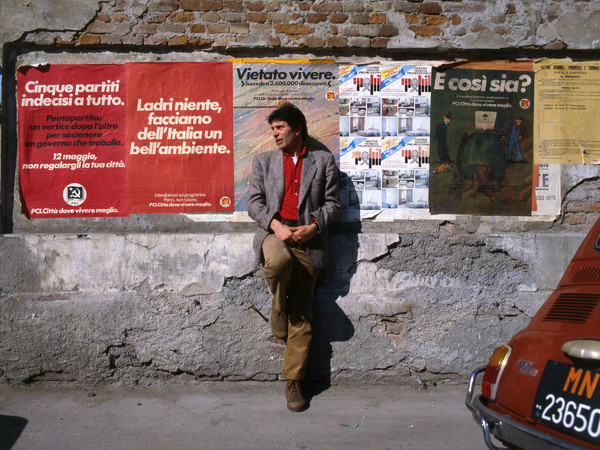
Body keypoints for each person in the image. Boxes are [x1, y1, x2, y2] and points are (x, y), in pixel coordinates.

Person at [247, 103, 340, 412]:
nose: (274, 134)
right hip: (275, 234)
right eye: (272, 129)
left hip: (308, 242)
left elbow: (332, 205)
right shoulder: (264, 162)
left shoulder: (323, 161)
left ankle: (294, 382)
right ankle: (277, 306)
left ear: (296, 129)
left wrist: (313, 227)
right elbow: (254, 204)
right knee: (278, 262)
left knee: (302, 316)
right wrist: (275, 226)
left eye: (279, 128)